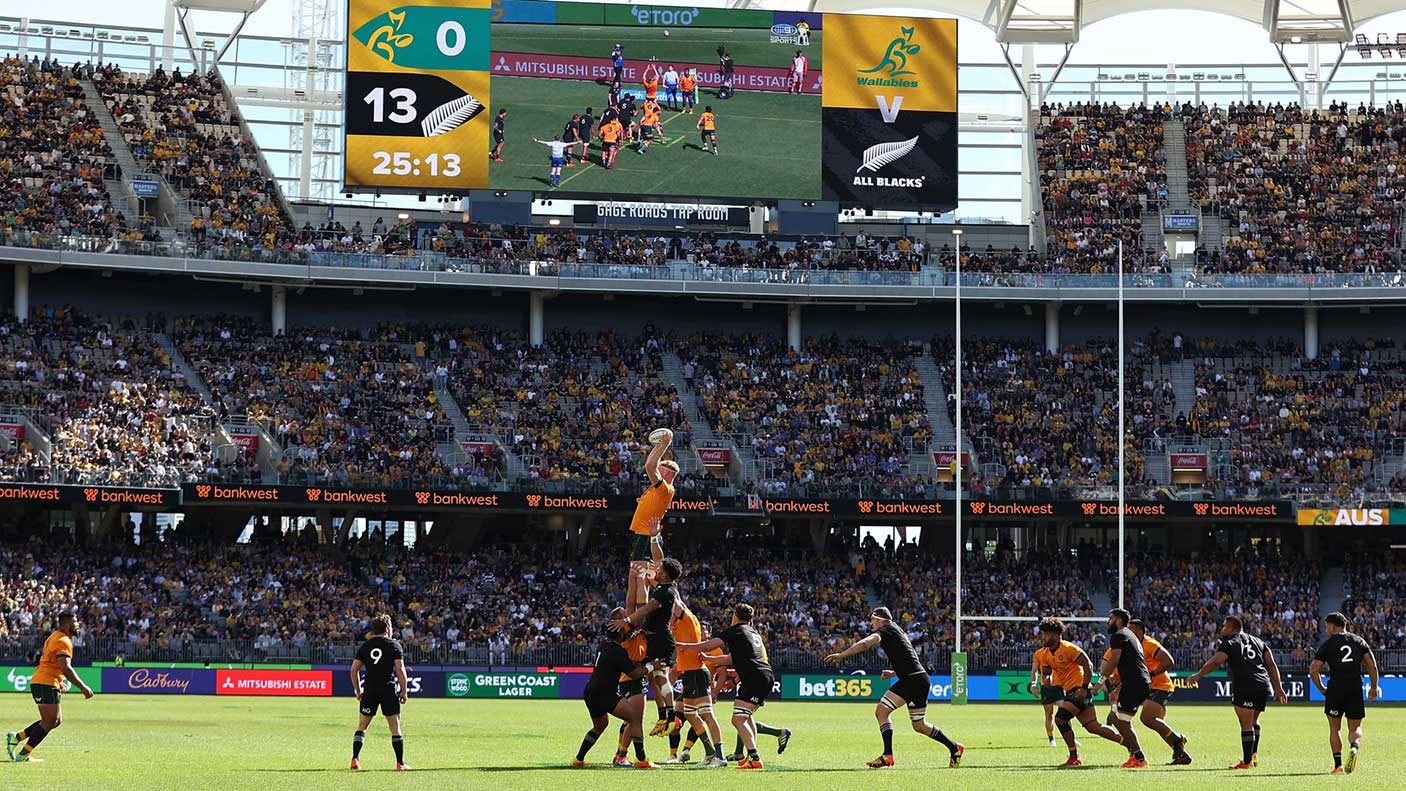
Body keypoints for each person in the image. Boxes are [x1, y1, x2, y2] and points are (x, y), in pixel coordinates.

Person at [823, 607, 964, 769]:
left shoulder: (886, 630)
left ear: (882, 620)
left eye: (873, 620)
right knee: (919, 725)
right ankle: (955, 748)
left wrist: (842, 655)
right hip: (917, 679)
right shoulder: (898, 630)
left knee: (882, 711)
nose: (871, 623)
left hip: (912, 680)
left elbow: (865, 643)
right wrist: (893, 672)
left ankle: (888, 755)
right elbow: (909, 656)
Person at [677, 603, 779, 770]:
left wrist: (687, 646)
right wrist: (708, 659)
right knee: (746, 717)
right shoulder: (753, 633)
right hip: (766, 675)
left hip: (754, 677)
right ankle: (751, 756)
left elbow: (709, 645)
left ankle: (754, 758)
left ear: (735, 616)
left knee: (738, 719)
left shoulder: (736, 630)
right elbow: (728, 659)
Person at [1187, 615, 1289, 770]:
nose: (1222, 629)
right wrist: (1277, 687)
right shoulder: (1259, 641)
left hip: (1245, 684)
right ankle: (1253, 755)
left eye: (1224, 626)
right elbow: (1271, 664)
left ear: (1232, 627)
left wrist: (1199, 675)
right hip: (1263, 684)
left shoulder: (1229, 643)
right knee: (1254, 721)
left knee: (1246, 724)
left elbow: (1216, 661)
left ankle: (1246, 762)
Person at [1033, 616, 1124, 767]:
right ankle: (1130, 744)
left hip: (1079, 691)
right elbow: (1047, 668)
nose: (1043, 637)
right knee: (1093, 727)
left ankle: (1074, 757)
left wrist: (1083, 687)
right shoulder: (1047, 653)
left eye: (1045, 634)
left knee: (1060, 719)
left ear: (1055, 635)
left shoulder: (1069, 649)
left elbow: (1087, 664)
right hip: (1071, 691)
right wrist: (1046, 675)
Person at [6, 612, 94, 763]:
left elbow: (50, 662)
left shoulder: (56, 636)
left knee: (54, 720)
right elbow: (66, 667)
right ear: (67, 624)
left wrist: (58, 681)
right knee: (49, 721)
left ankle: (17, 737)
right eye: (76, 622)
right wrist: (83, 687)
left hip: (45, 681)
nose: (78, 625)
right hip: (45, 682)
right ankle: (23, 754)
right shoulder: (63, 641)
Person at [610, 557, 683, 738]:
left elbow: (644, 606)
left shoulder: (665, 591)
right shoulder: (665, 588)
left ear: (664, 574)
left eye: (659, 569)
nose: (656, 571)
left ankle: (670, 716)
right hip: (649, 649)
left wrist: (627, 619)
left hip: (659, 642)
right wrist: (637, 575)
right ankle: (665, 716)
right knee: (656, 679)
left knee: (659, 678)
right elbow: (637, 601)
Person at [1101, 619, 1191, 765]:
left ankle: (1176, 740)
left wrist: (1151, 675)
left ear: (1139, 632)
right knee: (1147, 722)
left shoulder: (1149, 644)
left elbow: (1168, 661)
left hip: (1159, 685)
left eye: (1130, 630)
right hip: (1142, 688)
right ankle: (1180, 753)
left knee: (1146, 718)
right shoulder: (1130, 646)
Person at [574, 607, 655, 768]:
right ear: (619, 630)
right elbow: (635, 673)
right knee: (635, 718)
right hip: (605, 695)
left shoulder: (604, 645)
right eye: (624, 619)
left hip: (590, 693)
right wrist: (652, 666)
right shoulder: (617, 650)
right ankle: (641, 760)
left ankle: (578, 759)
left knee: (600, 726)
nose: (628, 621)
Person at [1309, 612, 1379, 775]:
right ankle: (1354, 746)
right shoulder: (1359, 641)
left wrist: (1322, 689)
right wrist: (1374, 687)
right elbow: (1372, 666)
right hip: (1355, 687)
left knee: (1335, 728)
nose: (1326, 629)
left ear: (1333, 626)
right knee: (1355, 727)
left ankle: (1338, 765)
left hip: (1335, 689)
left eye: (1327, 626)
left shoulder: (1327, 645)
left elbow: (1313, 670)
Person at [665, 605, 727, 767]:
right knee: (691, 715)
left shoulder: (688, 623)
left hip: (698, 674)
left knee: (707, 715)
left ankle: (720, 756)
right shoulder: (675, 627)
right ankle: (709, 752)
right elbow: (674, 671)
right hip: (689, 677)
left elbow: (677, 603)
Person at [625, 428, 678, 614]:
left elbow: (649, 465)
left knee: (640, 578)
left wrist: (663, 444)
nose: (657, 468)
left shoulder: (665, 488)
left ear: (667, 472)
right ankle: (632, 616)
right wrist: (659, 446)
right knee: (636, 577)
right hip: (645, 534)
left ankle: (638, 618)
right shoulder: (658, 489)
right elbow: (651, 464)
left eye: (661, 467)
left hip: (646, 534)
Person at [348, 614, 410, 771]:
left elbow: (353, 670)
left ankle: (355, 758)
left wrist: (358, 690)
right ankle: (400, 763)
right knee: (395, 728)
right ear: (388, 629)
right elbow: (400, 670)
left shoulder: (366, 646)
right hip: (387, 689)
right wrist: (404, 691)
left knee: (362, 726)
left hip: (369, 690)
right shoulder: (394, 646)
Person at [1097, 608, 1150, 769]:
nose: (1108, 621)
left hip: (1135, 683)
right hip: (1138, 682)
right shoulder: (1130, 636)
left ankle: (1139, 757)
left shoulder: (1119, 636)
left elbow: (1115, 658)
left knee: (1120, 719)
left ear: (1118, 619)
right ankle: (1135, 755)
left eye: (1110, 618)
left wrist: (1101, 680)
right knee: (1117, 718)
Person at [1031, 643, 1059, 746]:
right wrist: (1034, 685)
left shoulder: (1060, 651)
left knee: (1065, 712)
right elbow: (1034, 670)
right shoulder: (1039, 653)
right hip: (1046, 687)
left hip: (1060, 686)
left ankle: (1070, 738)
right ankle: (1051, 738)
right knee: (1049, 714)